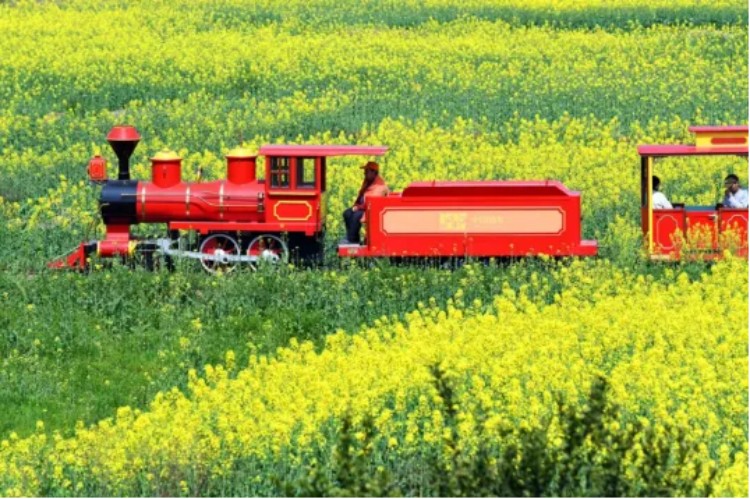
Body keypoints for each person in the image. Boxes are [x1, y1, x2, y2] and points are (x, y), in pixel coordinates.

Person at [342, 161, 389, 244]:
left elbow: (371, 203)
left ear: (374, 172)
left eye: (366, 171)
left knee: (356, 216)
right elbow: (361, 196)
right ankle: (354, 238)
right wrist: (356, 205)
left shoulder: (379, 186)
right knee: (347, 213)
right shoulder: (368, 182)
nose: (364, 173)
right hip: (363, 208)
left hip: (372, 211)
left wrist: (358, 207)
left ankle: (351, 239)